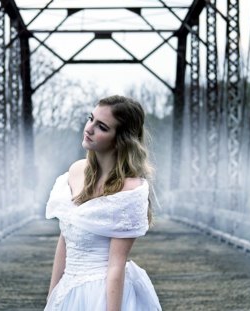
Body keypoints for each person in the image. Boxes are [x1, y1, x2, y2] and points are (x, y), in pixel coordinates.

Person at [44, 95, 162, 311]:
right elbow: (65, 240)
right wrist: (52, 297)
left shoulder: (129, 190)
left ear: (119, 140)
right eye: (91, 119)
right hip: (68, 291)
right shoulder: (76, 171)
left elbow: (116, 266)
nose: (89, 128)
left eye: (102, 127)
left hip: (102, 293)